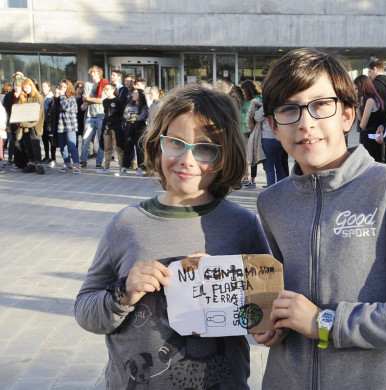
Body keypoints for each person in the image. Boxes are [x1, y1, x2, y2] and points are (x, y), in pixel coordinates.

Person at [253, 48, 386, 389]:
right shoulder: (271, 202)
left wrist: (327, 324)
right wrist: (269, 322)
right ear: (274, 126)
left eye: (321, 105)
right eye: (289, 109)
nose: (306, 123)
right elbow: (276, 294)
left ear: (348, 115)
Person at [74, 84, 270, 390]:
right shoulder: (126, 223)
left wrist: (225, 286)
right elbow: (86, 310)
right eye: (176, 143)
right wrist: (123, 292)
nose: (187, 159)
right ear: (156, 144)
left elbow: (265, 315)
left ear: (224, 156)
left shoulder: (242, 225)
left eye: (205, 148)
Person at [353, 75, 386, 162]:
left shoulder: (369, 101)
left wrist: (358, 110)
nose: (355, 92)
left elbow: (363, 125)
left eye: (356, 89)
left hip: (370, 139)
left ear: (362, 87)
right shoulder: (376, 99)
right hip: (375, 137)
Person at [80, 65, 108, 168]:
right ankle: (83, 161)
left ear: (99, 73)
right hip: (90, 116)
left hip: (101, 115)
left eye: (94, 72)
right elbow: (84, 97)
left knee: (101, 140)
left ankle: (99, 162)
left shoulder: (104, 84)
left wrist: (89, 99)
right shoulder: (88, 84)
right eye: (91, 72)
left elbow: (102, 100)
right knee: (85, 139)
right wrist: (88, 99)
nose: (92, 74)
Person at [18, 78, 45, 174]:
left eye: (27, 87)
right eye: (23, 87)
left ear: (31, 86)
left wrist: (25, 123)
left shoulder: (38, 98)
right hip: (25, 126)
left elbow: (37, 116)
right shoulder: (24, 97)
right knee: (27, 145)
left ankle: (38, 164)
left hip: (34, 126)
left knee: (35, 145)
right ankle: (31, 163)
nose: (25, 89)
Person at [120, 89, 148, 176]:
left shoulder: (144, 106)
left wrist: (135, 117)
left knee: (139, 146)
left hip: (140, 126)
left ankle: (140, 167)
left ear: (140, 95)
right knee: (128, 146)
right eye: (133, 93)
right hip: (129, 126)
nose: (133, 95)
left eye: (135, 93)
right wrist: (134, 116)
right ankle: (124, 167)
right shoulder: (129, 104)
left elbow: (143, 115)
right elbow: (125, 114)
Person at [97, 83, 124, 174]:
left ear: (113, 90)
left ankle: (121, 167)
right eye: (105, 89)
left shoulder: (118, 101)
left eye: (107, 89)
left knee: (118, 147)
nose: (106, 90)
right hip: (106, 125)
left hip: (116, 125)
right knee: (107, 147)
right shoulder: (105, 101)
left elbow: (121, 113)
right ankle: (106, 167)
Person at [56, 80, 81, 174]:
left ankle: (76, 165)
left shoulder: (72, 97)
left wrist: (62, 95)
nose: (61, 88)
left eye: (63, 87)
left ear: (68, 88)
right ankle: (67, 164)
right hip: (61, 125)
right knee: (63, 147)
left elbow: (66, 108)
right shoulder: (59, 98)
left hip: (70, 125)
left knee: (71, 146)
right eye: (60, 86)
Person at [241, 80, 261, 187]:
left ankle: (252, 179)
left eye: (244, 91)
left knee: (251, 156)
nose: (243, 93)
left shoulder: (256, 100)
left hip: (251, 131)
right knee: (244, 155)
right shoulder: (247, 101)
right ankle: (245, 178)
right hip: (243, 130)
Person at [41, 81, 56, 165]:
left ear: (49, 87)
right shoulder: (41, 97)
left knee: (51, 140)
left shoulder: (52, 98)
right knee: (44, 140)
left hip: (49, 122)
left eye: (45, 86)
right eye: (42, 86)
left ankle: (53, 157)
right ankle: (47, 156)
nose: (43, 88)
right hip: (42, 122)